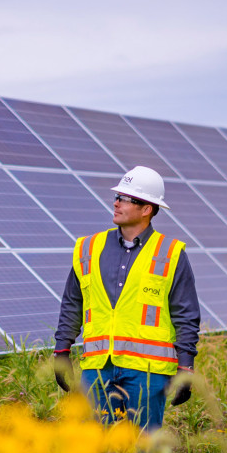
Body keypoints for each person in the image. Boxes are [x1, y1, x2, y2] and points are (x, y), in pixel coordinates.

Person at [52, 166, 201, 430]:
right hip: (98, 367)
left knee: (145, 451)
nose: (116, 202)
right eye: (117, 196)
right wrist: (62, 350)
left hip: (148, 373)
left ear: (147, 209)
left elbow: (185, 315)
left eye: (125, 198)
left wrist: (186, 368)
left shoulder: (171, 253)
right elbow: (73, 303)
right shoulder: (89, 248)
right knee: (95, 449)